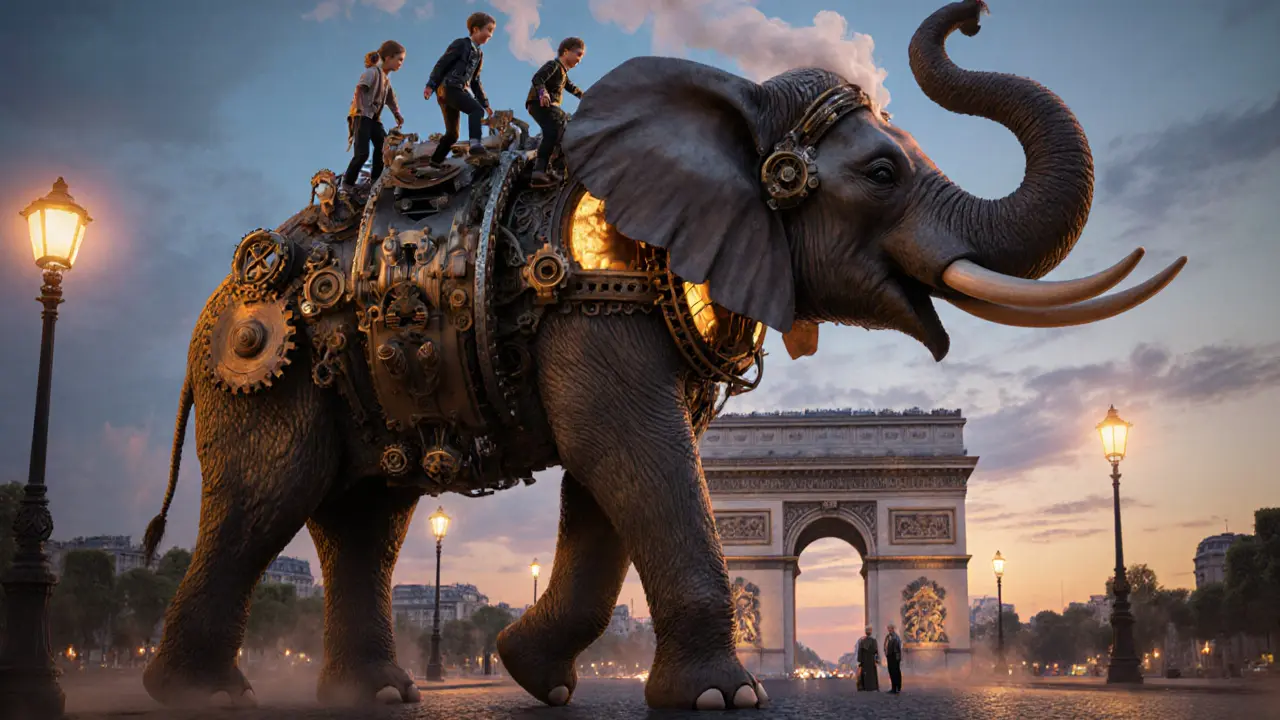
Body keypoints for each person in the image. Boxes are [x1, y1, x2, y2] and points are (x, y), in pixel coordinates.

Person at [423, 12, 496, 164]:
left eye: (492, 31)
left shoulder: (479, 54)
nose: (490, 35)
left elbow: (475, 81)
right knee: (475, 110)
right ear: (475, 29)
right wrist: (431, 84)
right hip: (449, 88)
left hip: (454, 91)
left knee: (452, 134)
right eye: (488, 30)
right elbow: (442, 64)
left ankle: (435, 162)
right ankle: (475, 143)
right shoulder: (461, 44)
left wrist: (486, 103)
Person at [343, 40, 406, 194]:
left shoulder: (385, 79)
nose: (400, 64)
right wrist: (358, 109)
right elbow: (360, 89)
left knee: (383, 145)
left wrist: (397, 113)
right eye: (399, 59)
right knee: (362, 153)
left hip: (373, 119)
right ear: (389, 57)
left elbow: (391, 99)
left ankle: (376, 179)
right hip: (362, 116)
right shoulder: (372, 72)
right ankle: (347, 183)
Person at [526, 37, 586, 186]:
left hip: (549, 107)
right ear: (566, 52)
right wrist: (543, 93)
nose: (579, 60)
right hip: (539, 103)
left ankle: (548, 168)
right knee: (554, 130)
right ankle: (540, 170)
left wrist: (585, 96)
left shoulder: (563, 74)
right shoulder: (553, 65)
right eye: (578, 54)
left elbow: (572, 87)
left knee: (559, 130)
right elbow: (537, 78)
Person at [855, 626, 880, 691]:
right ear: (871, 632)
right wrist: (877, 660)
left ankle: (864, 687)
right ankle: (872, 687)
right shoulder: (873, 641)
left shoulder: (862, 641)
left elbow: (860, 652)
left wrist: (860, 660)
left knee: (865, 674)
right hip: (871, 660)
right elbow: (876, 651)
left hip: (864, 660)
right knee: (872, 674)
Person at [885, 623, 903, 694]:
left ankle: (897, 688)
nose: (889, 629)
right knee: (891, 672)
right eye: (888, 628)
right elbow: (886, 646)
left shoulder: (895, 637)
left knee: (896, 672)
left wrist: (897, 658)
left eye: (890, 628)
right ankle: (893, 687)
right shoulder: (888, 637)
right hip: (890, 657)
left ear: (893, 628)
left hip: (894, 657)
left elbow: (898, 648)